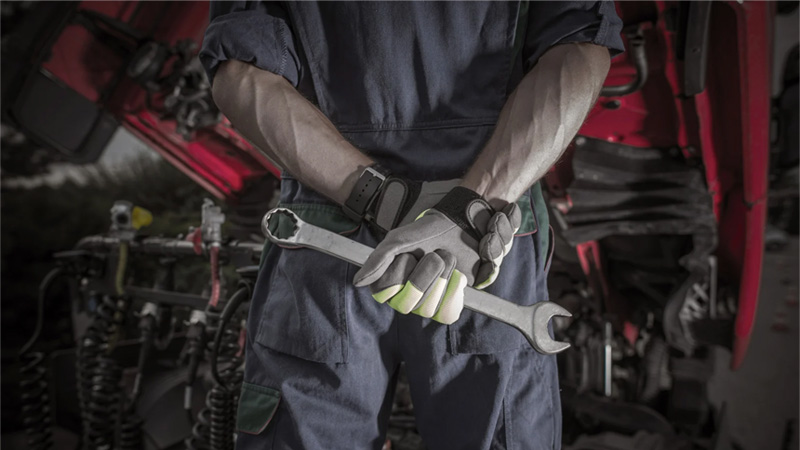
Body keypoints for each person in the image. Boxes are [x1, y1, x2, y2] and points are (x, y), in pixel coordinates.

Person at [200, 2, 623, 448]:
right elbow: (580, 48)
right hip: (481, 239)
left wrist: (384, 199)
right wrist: (468, 207)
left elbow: (241, 72)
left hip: (334, 228)